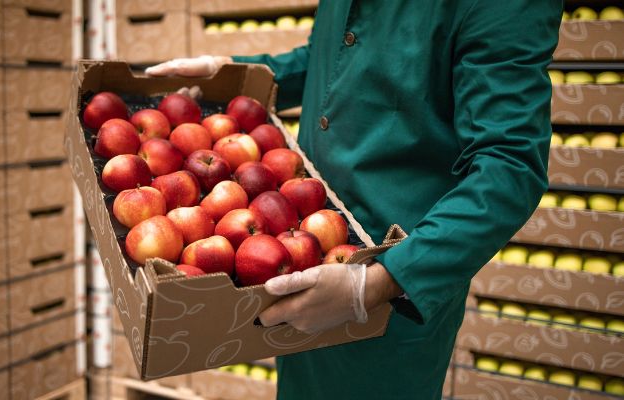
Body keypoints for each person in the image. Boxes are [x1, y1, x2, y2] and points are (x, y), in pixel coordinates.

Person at [147, 1, 562, 398]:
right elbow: (335, 59)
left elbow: (509, 167)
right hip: (299, 251)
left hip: (390, 293)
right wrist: (239, 72)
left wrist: (375, 284)